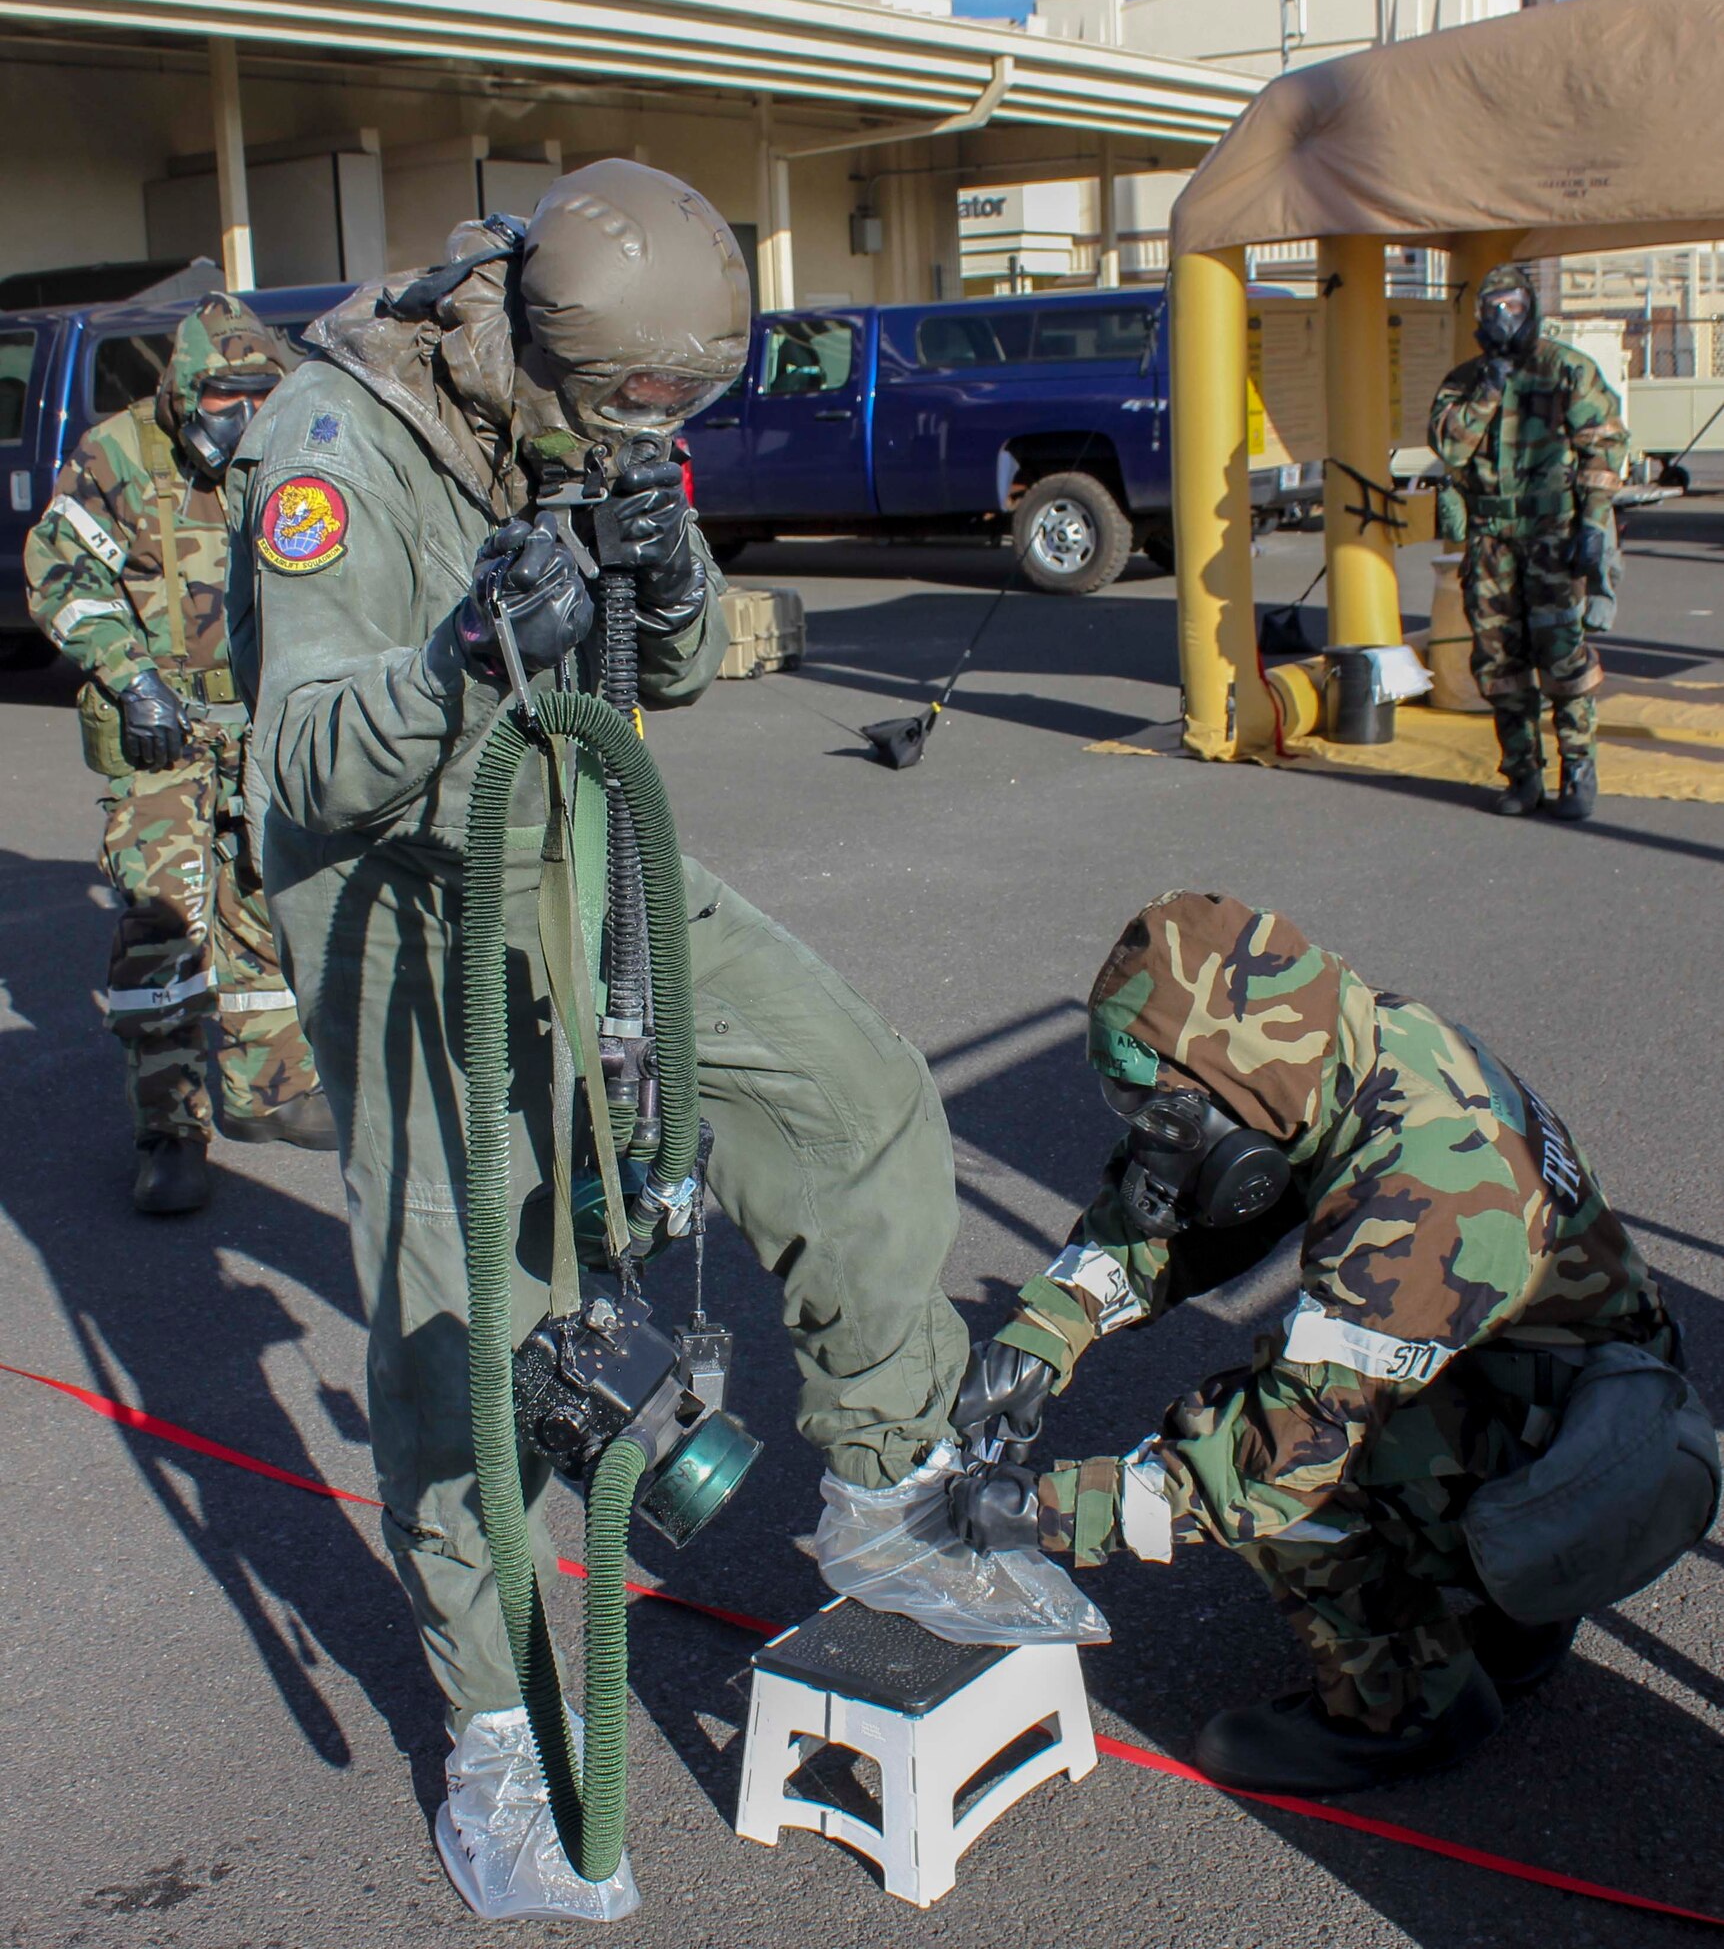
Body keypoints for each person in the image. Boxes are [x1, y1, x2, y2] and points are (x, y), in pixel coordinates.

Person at [226, 163, 1078, 1921]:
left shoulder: (586, 412)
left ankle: (887, 1487)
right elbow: (296, 768)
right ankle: (492, 1727)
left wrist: (652, 554)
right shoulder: (333, 443)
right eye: (623, 411)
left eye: (668, 415)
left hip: (583, 851)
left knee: (852, 1097)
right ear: (533, 342)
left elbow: (667, 669)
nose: (639, 431)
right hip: (413, 915)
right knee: (474, 1336)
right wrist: (467, 650)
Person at [946, 890, 1701, 1796]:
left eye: (1166, 1113)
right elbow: (1183, 1211)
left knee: (1266, 1455)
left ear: (1238, 1078)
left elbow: (1276, 1455)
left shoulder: (1423, 1186)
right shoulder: (1352, 1046)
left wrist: (1050, 1510)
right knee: (1357, 1416)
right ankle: (1521, 1611)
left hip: (1603, 1469)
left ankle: (1404, 1707)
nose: (1151, 1136)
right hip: (1560, 1384)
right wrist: (1046, 1330)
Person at [24, 293, 332, 1215]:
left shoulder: (287, 457)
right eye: (219, 402)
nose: (235, 423)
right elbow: (60, 572)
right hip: (160, 731)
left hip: (259, 728)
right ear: (184, 391)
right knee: (165, 922)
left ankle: (267, 1087)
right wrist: (131, 676)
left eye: (254, 402)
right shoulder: (118, 453)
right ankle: (170, 1128)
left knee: (263, 906)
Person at [1429, 263, 1628, 822]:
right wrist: (1488, 387)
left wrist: (1592, 526)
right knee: (1498, 661)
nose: (1503, 317)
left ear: (1531, 307)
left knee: (1562, 654)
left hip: (1552, 536)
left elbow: (1604, 447)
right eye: (1493, 307)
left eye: (1513, 306)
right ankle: (1522, 772)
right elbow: (1451, 448)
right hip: (1491, 540)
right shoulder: (1465, 381)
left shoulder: (1566, 369)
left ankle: (1578, 766)